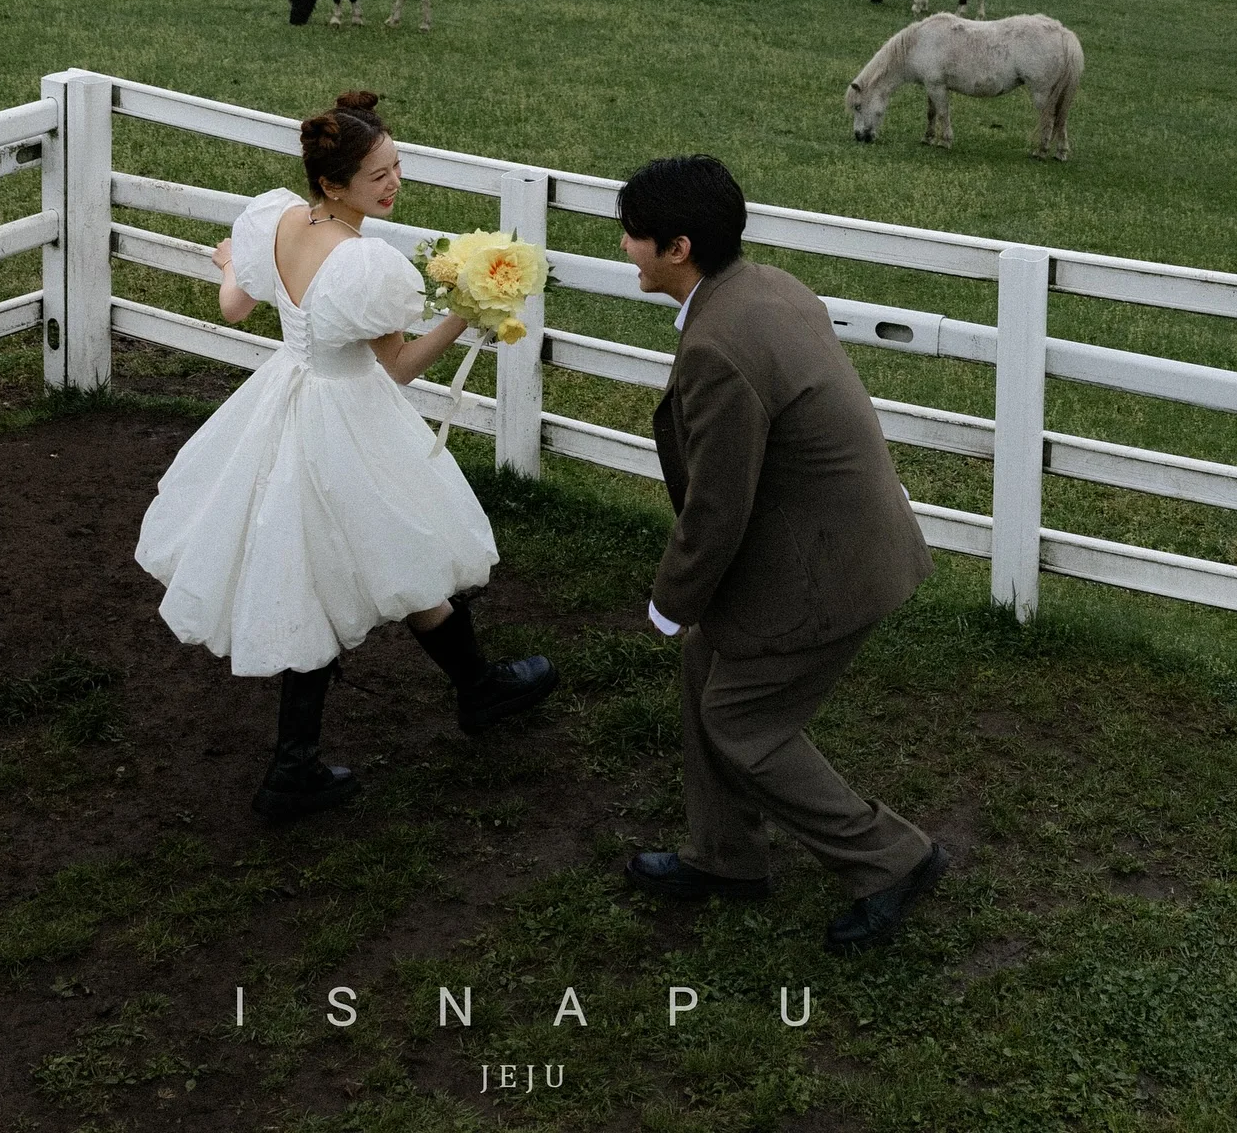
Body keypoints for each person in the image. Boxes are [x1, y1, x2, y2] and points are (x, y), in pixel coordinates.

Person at [135, 90, 558, 822]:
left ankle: (478, 688)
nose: (394, 184)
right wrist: (468, 312)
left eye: (397, 167)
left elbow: (235, 305)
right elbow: (394, 368)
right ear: (334, 185)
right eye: (378, 176)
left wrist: (231, 259)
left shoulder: (276, 221)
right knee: (328, 569)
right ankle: (291, 770)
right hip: (344, 413)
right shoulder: (367, 264)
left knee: (389, 549)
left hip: (287, 396)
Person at [616, 154, 949, 955]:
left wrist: (671, 600)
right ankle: (726, 857)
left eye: (634, 236)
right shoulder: (767, 287)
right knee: (708, 669)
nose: (625, 247)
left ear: (678, 248)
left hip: (826, 572)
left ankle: (892, 858)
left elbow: (718, 504)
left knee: (742, 724)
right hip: (843, 540)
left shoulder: (718, 347)